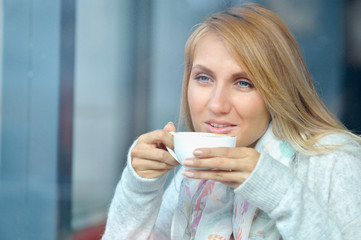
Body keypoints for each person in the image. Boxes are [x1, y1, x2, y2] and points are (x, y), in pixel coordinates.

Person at [102, 3, 361, 240]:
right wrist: (139, 190)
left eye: (243, 83)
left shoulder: (332, 161)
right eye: (204, 78)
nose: (216, 104)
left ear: (278, 90)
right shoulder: (194, 175)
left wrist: (278, 190)